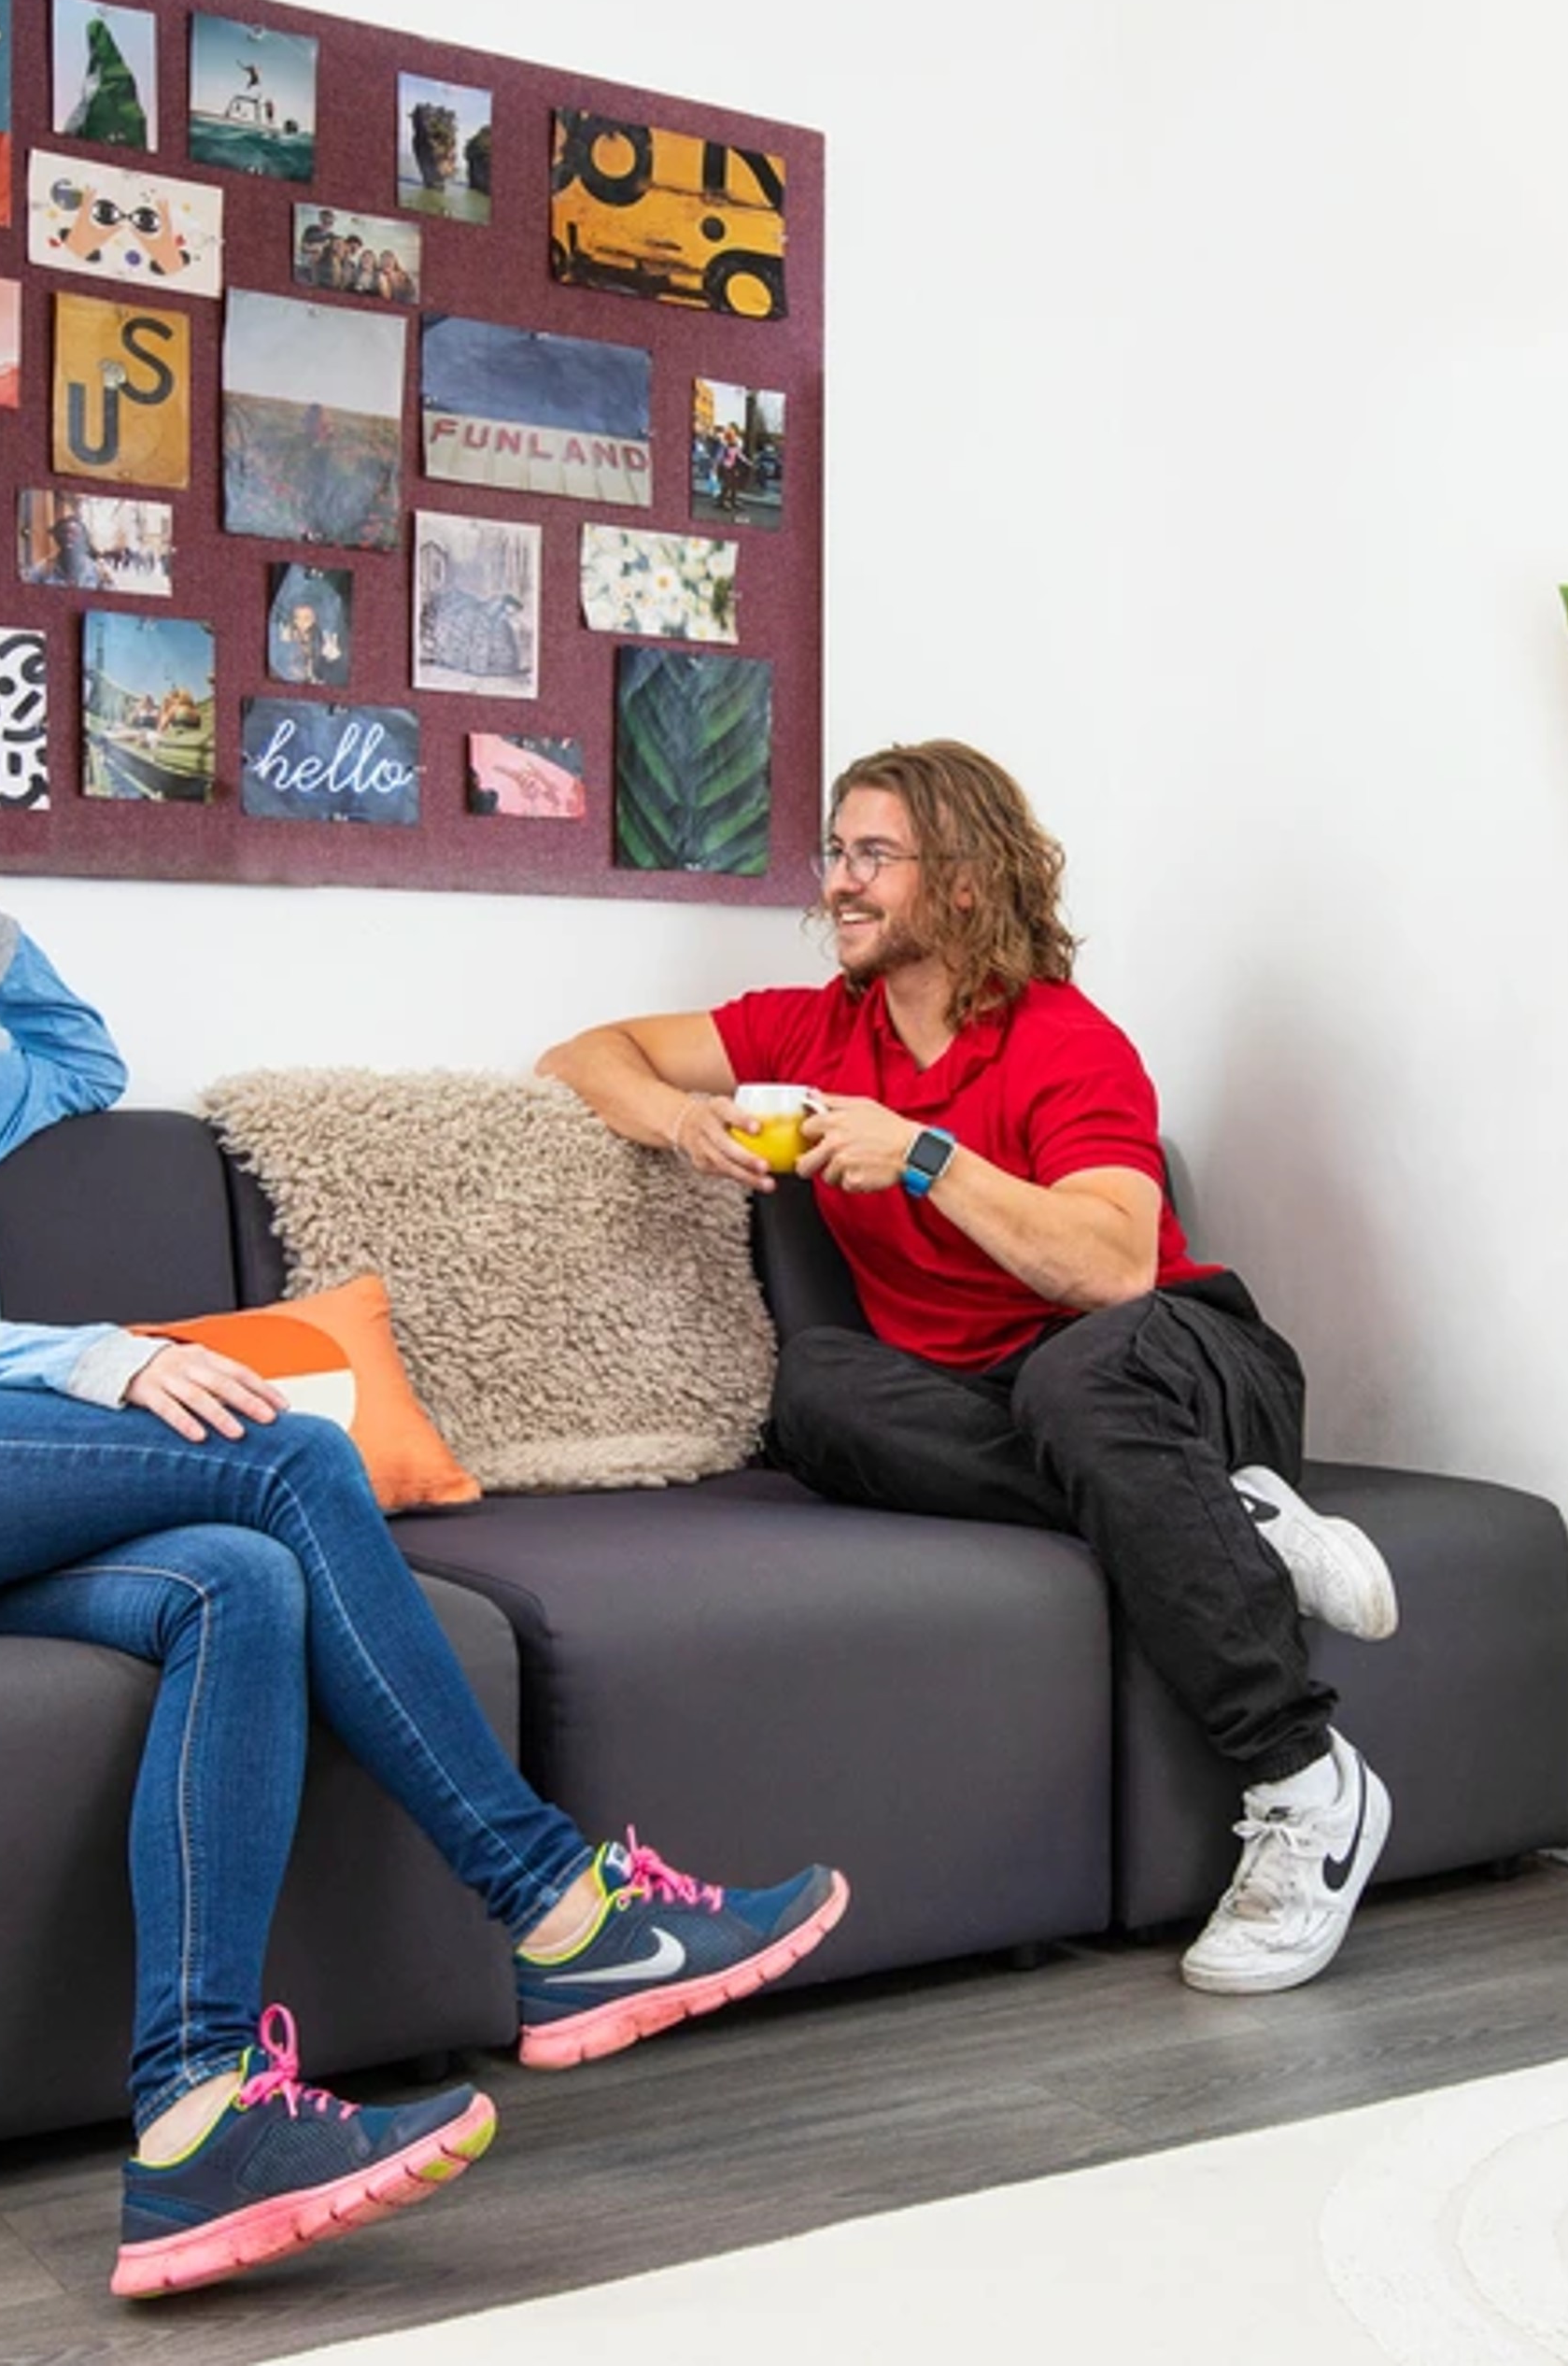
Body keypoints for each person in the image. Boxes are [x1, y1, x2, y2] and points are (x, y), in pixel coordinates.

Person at [0, 748, 847, 2301]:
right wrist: (96, 1356)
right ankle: (556, 1907)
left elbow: (77, 1060)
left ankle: (195, 2124)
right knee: (285, 1458)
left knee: (234, 1585)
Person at [539, 741, 1400, 1999]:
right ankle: (1235, 1520)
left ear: (962, 881)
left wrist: (929, 1159)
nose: (840, 880)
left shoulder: (1066, 1042)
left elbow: (1111, 1267)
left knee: (1072, 1381)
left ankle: (1303, 1778)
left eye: (874, 855)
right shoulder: (812, 1028)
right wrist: (682, 1122)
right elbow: (587, 1051)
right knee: (820, 1388)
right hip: (1001, 1403)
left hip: (1176, 1356)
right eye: (836, 852)